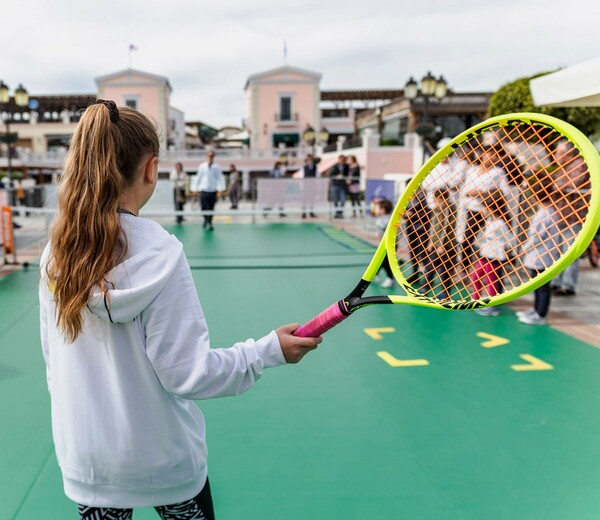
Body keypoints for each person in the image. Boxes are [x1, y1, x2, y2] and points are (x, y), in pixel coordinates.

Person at [39, 100, 322, 520]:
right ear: (151, 169)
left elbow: (53, 364)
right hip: (165, 464)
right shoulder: (161, 254)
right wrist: (269, 350)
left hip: (87, 462)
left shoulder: (55, 253)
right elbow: (189, 374)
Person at [517, 174, 562, 325]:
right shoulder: (551, 212)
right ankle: (537, 310)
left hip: (540, 256)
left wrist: (523, 250)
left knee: (542, 287)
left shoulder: (542, 215)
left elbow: (536, 238)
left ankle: (540, 314)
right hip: (545, 256)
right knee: (539, 286)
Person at [459, 145, 510, 274]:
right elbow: (465, 189)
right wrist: (471, 193)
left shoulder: (498, 172)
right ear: (482, 155)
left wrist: (482, 193)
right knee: (467, 239)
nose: (491, 157)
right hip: (472, 209)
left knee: (491, 239)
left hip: (490, 211)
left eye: (495, 155)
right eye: (489, 153)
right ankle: (465, 269)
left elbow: (505, 192)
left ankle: (490, 269)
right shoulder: (471, 170)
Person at [471, 189, 515, 316]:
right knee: (476, 276)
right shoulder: (491, 221)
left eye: (484, 208)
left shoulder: (500, 224)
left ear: (491, 208)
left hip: (493, 258)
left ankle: (492, 306)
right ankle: (476, 300)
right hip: (485, 256)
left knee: (491, 282)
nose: (482, 211)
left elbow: (509, 240)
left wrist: (503, 250)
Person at [421, 187, 457, 301]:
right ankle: (426, 288)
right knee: (430, 268)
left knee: (444, 271)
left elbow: (446, 227)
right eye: (437, 200)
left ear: (446, 199)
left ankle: (445, 294)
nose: (439, 203)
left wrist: (441, 244)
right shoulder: (436, 210)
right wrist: (431, 241)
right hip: (436, 245)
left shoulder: (449, 210)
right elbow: (433, 226)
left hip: (447, 246)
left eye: (441, 200)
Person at [191, 150, 225, 231]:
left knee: (211, 208)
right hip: (204, 190)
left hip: (213, 191)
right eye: (209, 155)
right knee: (203, 207)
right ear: (207, 156)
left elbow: (220, 178)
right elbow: (198, 178)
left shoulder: (217, 167)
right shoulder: (202, 166)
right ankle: (206, 219)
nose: (210, 157)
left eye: (212, 156)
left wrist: (221, 189)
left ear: (214, 157)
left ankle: (209, 222)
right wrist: (195, 189)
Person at [374, 198, 396, 288]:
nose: (376, 210)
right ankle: (375, 274)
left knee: (385, 261)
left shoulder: (389, 220)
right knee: (381, 260)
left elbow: (385, 229)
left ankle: (390, 279)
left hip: (390, 244)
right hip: (382, 244)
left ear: (383, 210)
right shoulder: (381, 218)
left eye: (377, 208)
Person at [302, 154, 319, 218]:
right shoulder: (304, 166)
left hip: (312, 185)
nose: (309, 161)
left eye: (311, 159)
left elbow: (317, 175)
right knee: (304, 199)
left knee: (312, 199)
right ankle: (303, 212)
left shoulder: (315, 166)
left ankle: (311, 212)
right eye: (308, 159)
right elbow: (302, 175)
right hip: (306, 185)